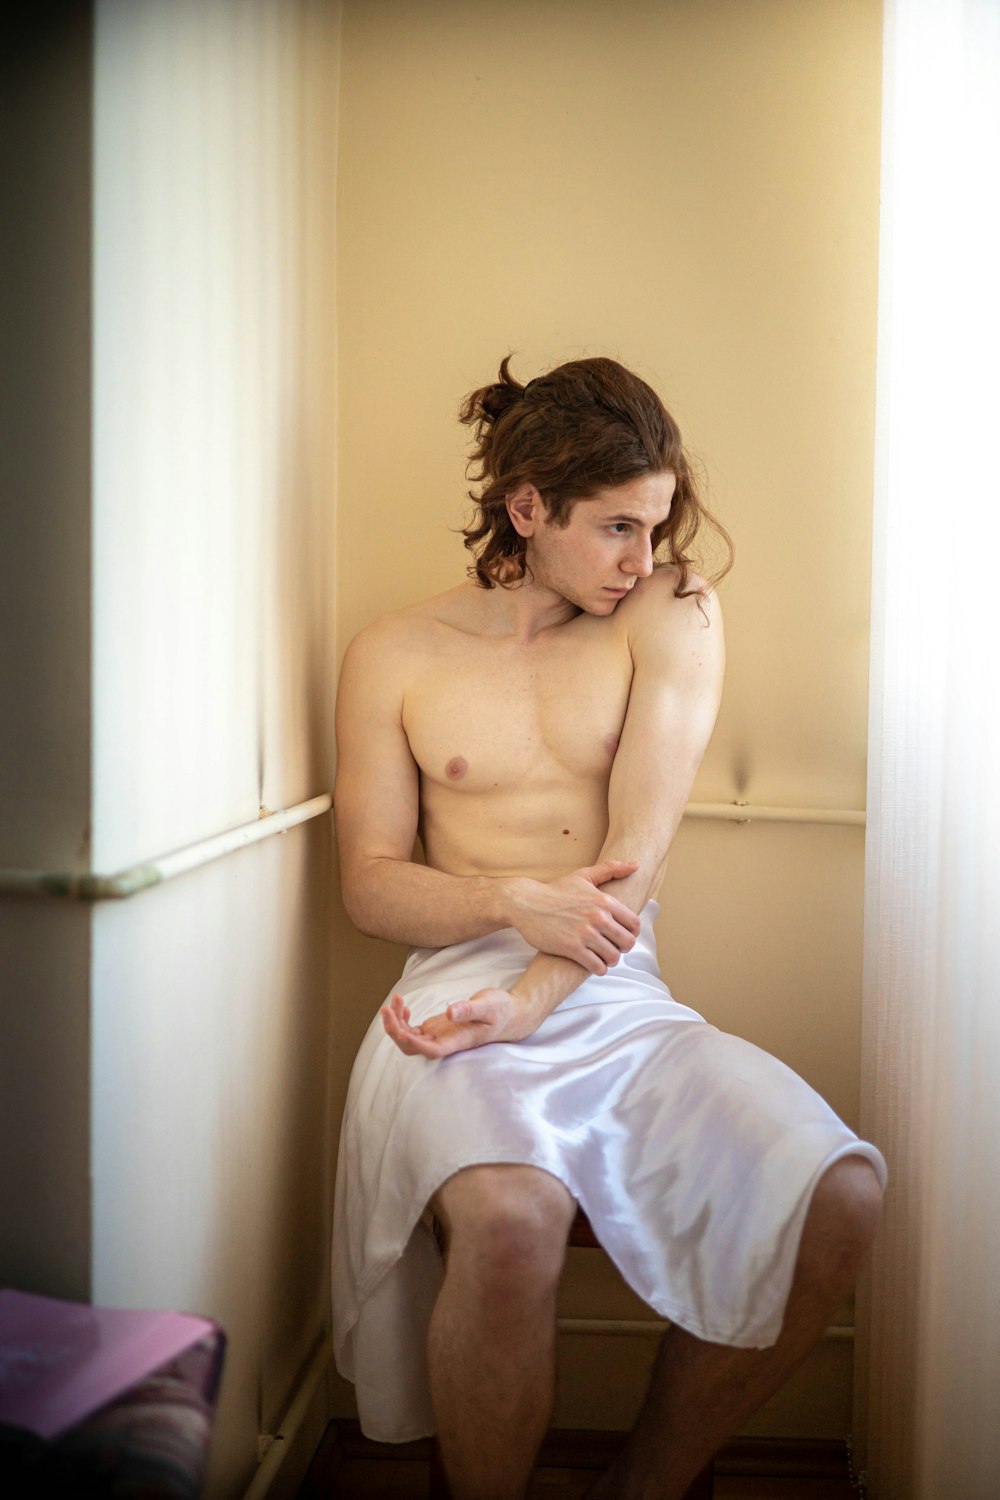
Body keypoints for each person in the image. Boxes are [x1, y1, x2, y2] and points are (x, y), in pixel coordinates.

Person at [332, 355, 886, 1500]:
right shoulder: (394, 653)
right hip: (449, 998)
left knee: (840, 1192)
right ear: (527, 508)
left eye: (658, 524)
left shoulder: (669, 612)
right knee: (510, 1216)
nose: (644, 559)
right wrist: (507, 902)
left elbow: (635, 851)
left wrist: (539, 986)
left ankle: (645, 1483)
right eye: (618, 528)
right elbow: (371, 885)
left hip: (609, 988)